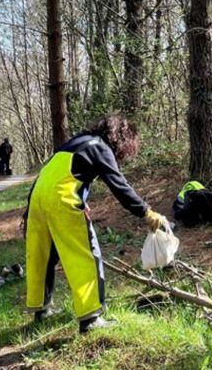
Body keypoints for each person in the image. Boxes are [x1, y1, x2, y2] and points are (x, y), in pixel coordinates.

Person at [24, 115, 167, 333]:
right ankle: (91, 319)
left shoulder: (78, 142)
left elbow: (61, 175)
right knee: (87, 255)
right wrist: (146, 212)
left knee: (45, 256)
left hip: (38, 197)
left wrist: (77, 200)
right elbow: (120, 185)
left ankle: (41, 311)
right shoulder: (100, 148)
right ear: (122, 139)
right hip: (61, 200)